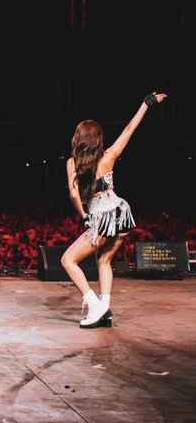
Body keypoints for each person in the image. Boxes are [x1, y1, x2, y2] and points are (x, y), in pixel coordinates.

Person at [61, 89, 168, 328]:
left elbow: (74, 194)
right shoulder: (109, 155)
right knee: (104, 260)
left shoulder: (73, 162)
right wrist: (146, 104)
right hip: (121, 213)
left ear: (79, 138)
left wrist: (84, 216)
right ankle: (105, 309)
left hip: (102, 217)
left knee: (68, 260)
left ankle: (94, 306)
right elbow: (129, 129)